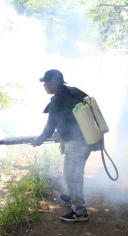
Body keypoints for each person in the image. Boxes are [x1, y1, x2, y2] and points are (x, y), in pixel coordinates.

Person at [31, 69, 91, 222]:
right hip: (87, 140)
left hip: (76, 144)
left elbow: (50, 127)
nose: (44, 86)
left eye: (45, 83)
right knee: (74, 175)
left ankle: (80, 212)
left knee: (72, 177)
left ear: (53, 84)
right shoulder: (74, 91)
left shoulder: (57, 101)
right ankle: (73, 198)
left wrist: (39, 140)